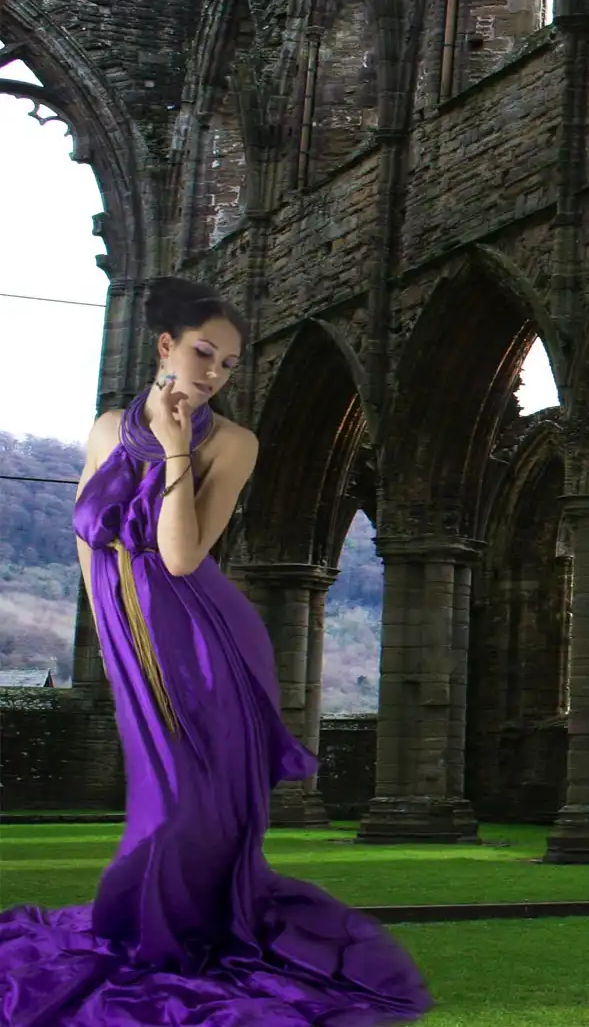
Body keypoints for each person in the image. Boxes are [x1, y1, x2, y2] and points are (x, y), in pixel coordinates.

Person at [0, 278, 432, 1026]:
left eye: (229, 364)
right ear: (166, 346)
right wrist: (108, 643)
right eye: (204, 352)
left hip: (203, 642)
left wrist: (173, 452)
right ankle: (155, 929)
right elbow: (85, 539)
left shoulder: (232, 443)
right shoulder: (106, 429)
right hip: (132, 642)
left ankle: (187, 938)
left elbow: (177, 557)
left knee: (192, 806)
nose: (213, 373)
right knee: (160, 801)